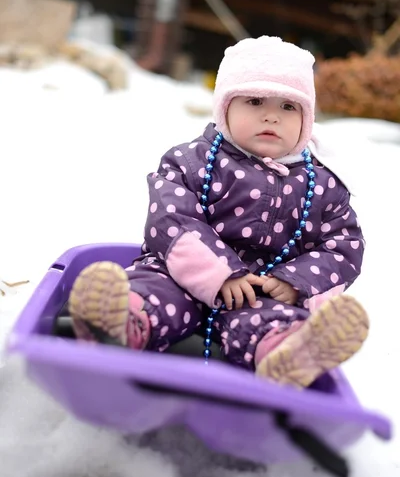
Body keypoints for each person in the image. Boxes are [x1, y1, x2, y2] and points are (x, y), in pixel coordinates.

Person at [69, 36, 369, 389]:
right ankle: (117, 323)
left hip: (259, 294)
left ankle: (288, 355)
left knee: (269, 323)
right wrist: (221, 273)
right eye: (254, 100)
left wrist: (296, 283)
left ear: (307, 118)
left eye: (289, 106)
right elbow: (172, 218)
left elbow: (343, 247)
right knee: (155, 293)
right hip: (179, 274)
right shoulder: (191, 161)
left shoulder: (323, 184)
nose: (271, 115)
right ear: (225, 107)